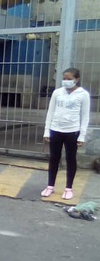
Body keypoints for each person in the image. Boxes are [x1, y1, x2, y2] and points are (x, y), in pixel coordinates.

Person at [41, 67, 91, 200]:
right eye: (64, 79)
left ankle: (69, 188)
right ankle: (50, 186)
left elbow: (85, 116)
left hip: (72, 132)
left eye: (69, 79)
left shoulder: (83, 94)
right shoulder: (57, 93)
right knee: (54, 158)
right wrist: (47, 130)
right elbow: (50, 112)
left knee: (70, 159)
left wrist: (82, 135)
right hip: (55, 130)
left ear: (77, 79)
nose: (66, 81)